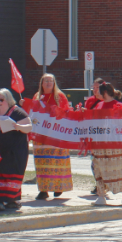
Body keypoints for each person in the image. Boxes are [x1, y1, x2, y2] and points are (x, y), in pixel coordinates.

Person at [0, 88, 33, 211]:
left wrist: (17, 126)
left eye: (2, 100)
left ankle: (12, 200)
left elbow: (29, 127)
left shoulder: (17, 113)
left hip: (15, 151)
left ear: (8, 100)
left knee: (12, 174)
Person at [90, 82, 122, 206]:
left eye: (98, 90)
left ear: (104, 92)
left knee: (119, 168)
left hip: (116, 143)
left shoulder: (119, 106)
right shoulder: (98, 105)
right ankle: (101, 195)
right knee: (99, 168)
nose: (95, 92)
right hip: (100, 142)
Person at [33, 73, 72, 201]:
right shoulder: (37, 97)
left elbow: (66, 113)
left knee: (57, 162)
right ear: (42, 84)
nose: (49, 83)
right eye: (46, 81)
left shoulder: (60, 97)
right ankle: (43, 190)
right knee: (42, 163)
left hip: (56, 136)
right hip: (41, 137)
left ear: (54, 83)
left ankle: (58, 187)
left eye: (51, 81)